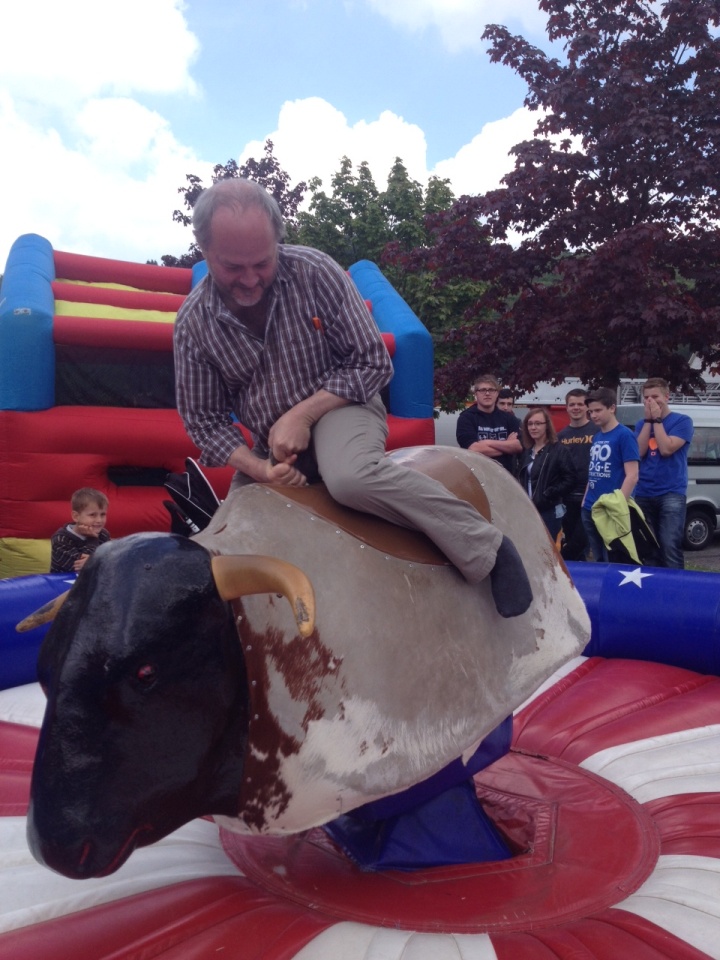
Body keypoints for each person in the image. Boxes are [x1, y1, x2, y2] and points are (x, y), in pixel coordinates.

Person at [174, 179, 532, 618]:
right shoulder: (192, 324)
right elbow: (205, 421)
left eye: (261, 263)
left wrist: (303, 415)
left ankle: (488, 547)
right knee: (229, 531)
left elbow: (373, 363)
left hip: (344, 405)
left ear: (277, 241)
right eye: (233, 267)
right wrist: (260, 469)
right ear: (204, 250)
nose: (250, 279)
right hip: (273, 445)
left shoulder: (315, 271)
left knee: (349, 477)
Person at [633, 377, 694, 568]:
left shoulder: (682, 421)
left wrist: (657, 420)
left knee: (669, 545)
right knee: (648, 547)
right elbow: (639, 452)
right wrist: (648, 422)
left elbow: (667, 449)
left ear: (667, 396)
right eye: (646, 397)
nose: (650, 401)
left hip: (671, 492)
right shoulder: (641, 424)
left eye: (655, 396)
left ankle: (677, 590)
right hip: (643, 491)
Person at [581, 388, 640, 562]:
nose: (593, 415)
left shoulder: (625, 435)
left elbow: (633, 475)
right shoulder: (597, 437)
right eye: (590, 411)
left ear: (612, 408)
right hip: (591, 506)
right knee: (597, 556)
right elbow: (593, 470)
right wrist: (585, 500)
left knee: (612, 557)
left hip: (611, 507)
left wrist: (618, 505)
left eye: (598, 410)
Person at [516, 408, 575, 540]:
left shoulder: (559, 451)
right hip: (529, 509)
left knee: (548, 549)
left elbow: (570, 480)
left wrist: (549, 493)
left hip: (549, 510)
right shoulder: (527, 451)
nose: (533, 427)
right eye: (530, 424)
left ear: (547, 425)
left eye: (538, 423)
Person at [557, 389, 598, 560]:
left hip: (590, 497)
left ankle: (562, 561)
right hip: (567, 497)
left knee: (582, 542)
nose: (576, 408)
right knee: (570, 541)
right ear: (566, 408)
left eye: (580, 404)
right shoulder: (560, 436)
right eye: (572, 404)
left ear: (587, 407)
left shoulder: (597, 432)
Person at [456, 374, 522, 473]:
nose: (487, 393)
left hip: (506, 478)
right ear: (476, 394)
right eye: (482, 390)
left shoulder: (509, 418)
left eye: (491, 390)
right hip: (478, 478)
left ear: (497, 393)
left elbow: (518, 446)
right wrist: (507, 447)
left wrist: (488, 443)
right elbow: (474, 449)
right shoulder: (466, 418)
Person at [50, 488, 111, 573]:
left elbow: (111, 560)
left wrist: (93, 562)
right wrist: (92, 539)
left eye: (103, 514)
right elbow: (77, 567)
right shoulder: (61, 539)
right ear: (76, 516)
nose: (99, 520)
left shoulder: (103, 534)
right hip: (64, 583)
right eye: (92, 515)